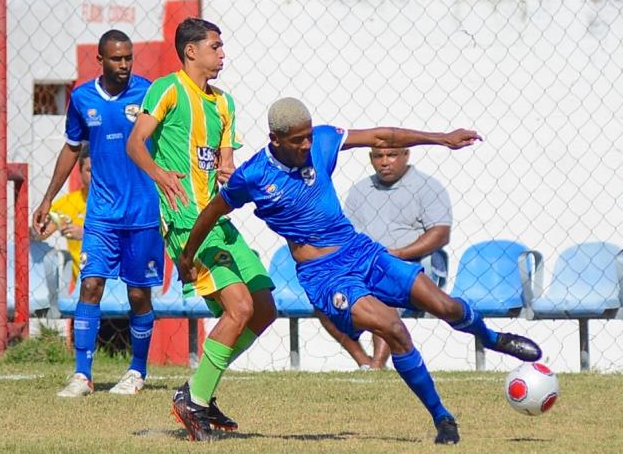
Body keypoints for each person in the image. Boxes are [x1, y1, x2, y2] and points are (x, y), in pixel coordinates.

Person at [177, 97, 542, 444]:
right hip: (325, 275)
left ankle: (492, 338)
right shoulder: (254, 175)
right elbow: (212, 211)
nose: (307, 145)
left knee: (446, 306)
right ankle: (442, 418)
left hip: (362, 251)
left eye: (308, 135)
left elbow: (383, 136)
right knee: (394, 328)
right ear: (276, 139)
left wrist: (441, 139)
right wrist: (187, 256)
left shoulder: (321, 140)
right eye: (297, 140)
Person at [126, 18, 277, 442]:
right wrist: (159, 173)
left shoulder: (225, 103)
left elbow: (224, 163)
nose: (222, 54)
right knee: (240, 309)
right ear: (191, 51)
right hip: (185, 221)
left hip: (218, 220)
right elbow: (135, 143)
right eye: (215, 46)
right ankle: (196, 398)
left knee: (264, 308)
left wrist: (233, 174)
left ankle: (197, 391)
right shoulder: (168, 89)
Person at [33, 30, 163, 398]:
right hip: (102, 214)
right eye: (117, 59)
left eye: (128, 58)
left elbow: (171, 139)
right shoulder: (82, 98)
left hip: (143, 212)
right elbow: (72, 149)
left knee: (139, 296)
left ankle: (137, 370)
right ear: (101, 60)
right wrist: (47, 199)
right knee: (91, 285)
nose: (124, 65)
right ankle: (82, 376)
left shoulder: (149, 94)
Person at [319, 147, 452, 370]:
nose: (384, 162)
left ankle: (378, 364)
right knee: (323, 299)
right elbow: (347, 235)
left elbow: (440, 234)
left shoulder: (428, 187)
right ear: (371, 158)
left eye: (391, 155)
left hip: (414, 266)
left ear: (406, 155)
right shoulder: (360, 190)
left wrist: (396, 255)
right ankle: (364, 363)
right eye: (378, 156)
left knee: (384, 291)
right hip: (365, 266)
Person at [34, 143, 91, 286]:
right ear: (80, 171)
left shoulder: (117, 202)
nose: (95, 176)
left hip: (115, 280)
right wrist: (39, 228)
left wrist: (85, 234)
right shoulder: (68, 202)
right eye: (89, 170)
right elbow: (41, 233)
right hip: (80, 283)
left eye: (99, 170)